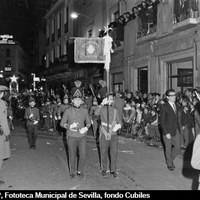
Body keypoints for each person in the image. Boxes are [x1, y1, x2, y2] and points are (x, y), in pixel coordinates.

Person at [60, 83, 91, 180]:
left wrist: (86, 128)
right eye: (76, 99)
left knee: (83, 154)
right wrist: (69, 126)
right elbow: (61, 123)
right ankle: (72, 172)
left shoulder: (85, 111)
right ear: (72, 101)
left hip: (82, 137)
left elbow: (89, 123)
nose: (77, 101)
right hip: (71, 136)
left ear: (82, 101)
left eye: (79, 100)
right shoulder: (68, 111)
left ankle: (80, 171)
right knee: (72, 155)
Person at [95, 94, 122, 178]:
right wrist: (102, 104)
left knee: (114, 153)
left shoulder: (115, 110)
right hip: (103, 133)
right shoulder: (102, 109)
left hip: (113, 134)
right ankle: (104, 169)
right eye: (108, 99)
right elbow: (96, 113)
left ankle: (113, 170)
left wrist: (119, 126)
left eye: (111, 99)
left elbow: (120, 121)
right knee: (103, 151)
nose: (110, 101)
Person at [160, 89, 181, 171]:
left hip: (175, 130)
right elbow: (162, 122)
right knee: (168, 148)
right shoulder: (164, 107)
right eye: (172, 95)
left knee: (178, 147)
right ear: (167, 97)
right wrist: (166, 132)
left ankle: (170, 160)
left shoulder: (176, 105)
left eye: (174, 95)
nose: (174, 97)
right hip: (167, 132)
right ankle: (169, 163)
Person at [0, 85, 11, 185]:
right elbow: (3, 120)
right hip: (0, 132)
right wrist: (7, 133)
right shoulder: (2, 103)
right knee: (0, 154)